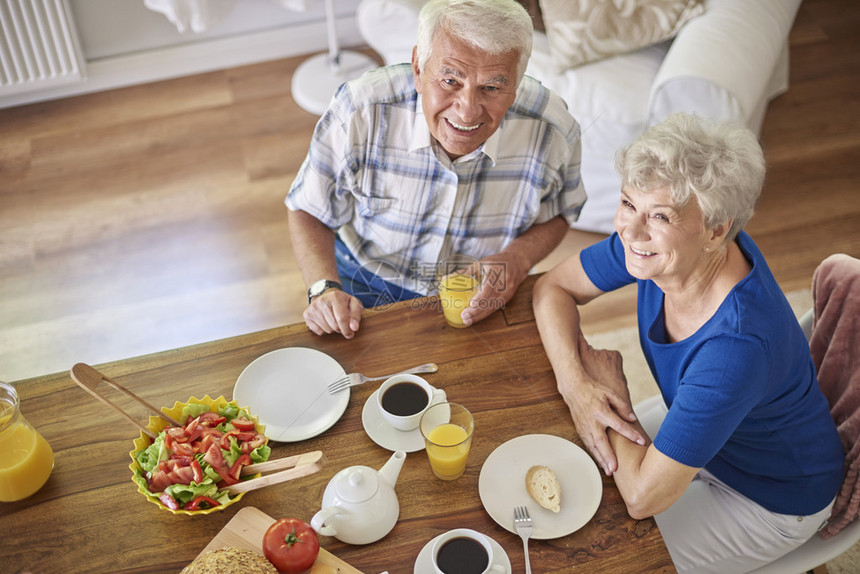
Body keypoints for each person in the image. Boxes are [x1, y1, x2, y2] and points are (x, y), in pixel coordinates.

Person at [532, 113, 844, 573]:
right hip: (718, 440)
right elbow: (552, 288)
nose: (631, 231)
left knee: (599, 557)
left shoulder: (734, 351)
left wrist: (614, 395)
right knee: (569, 470)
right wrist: (576, 385)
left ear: (717, 230)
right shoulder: (664, 247)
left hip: (771, 497)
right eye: (627, 203)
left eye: (660, 216)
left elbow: (642, 498)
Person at [286, 0, 586, 339]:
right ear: (418, 67)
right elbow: (308, 209)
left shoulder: (554, 130)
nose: (467, 111)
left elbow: (561, 212)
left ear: (516, 83)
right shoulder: (360, 109)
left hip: (483, 289)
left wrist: (515, 262)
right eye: (450, 80)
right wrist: (323, 288)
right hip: (362, 280)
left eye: (491, 87)